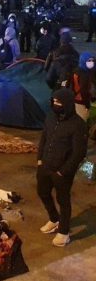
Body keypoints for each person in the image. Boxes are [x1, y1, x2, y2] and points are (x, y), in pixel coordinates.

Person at [37, 88, 88, 247]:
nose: (55, 104)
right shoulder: (51, 117)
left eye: (59, 102)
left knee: (63, 200)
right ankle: (54, 219)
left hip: (62, 172)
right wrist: (39, 159)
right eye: (54, 101)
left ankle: (64, 232)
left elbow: (79, 152)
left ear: (66, 104)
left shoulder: (77, 124)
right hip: (45, 165)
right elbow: (44, 138)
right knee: (43, 192)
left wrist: (63, 171)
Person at [69, 53, 94, 122]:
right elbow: (84, 91)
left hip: (74, 99)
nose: (91, 63)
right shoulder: (84, 75)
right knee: (81, 122)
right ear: (83, 61)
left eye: (92, 60)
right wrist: (87, 105)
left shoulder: (76, 70)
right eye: (89, 61)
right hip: (81, 102)